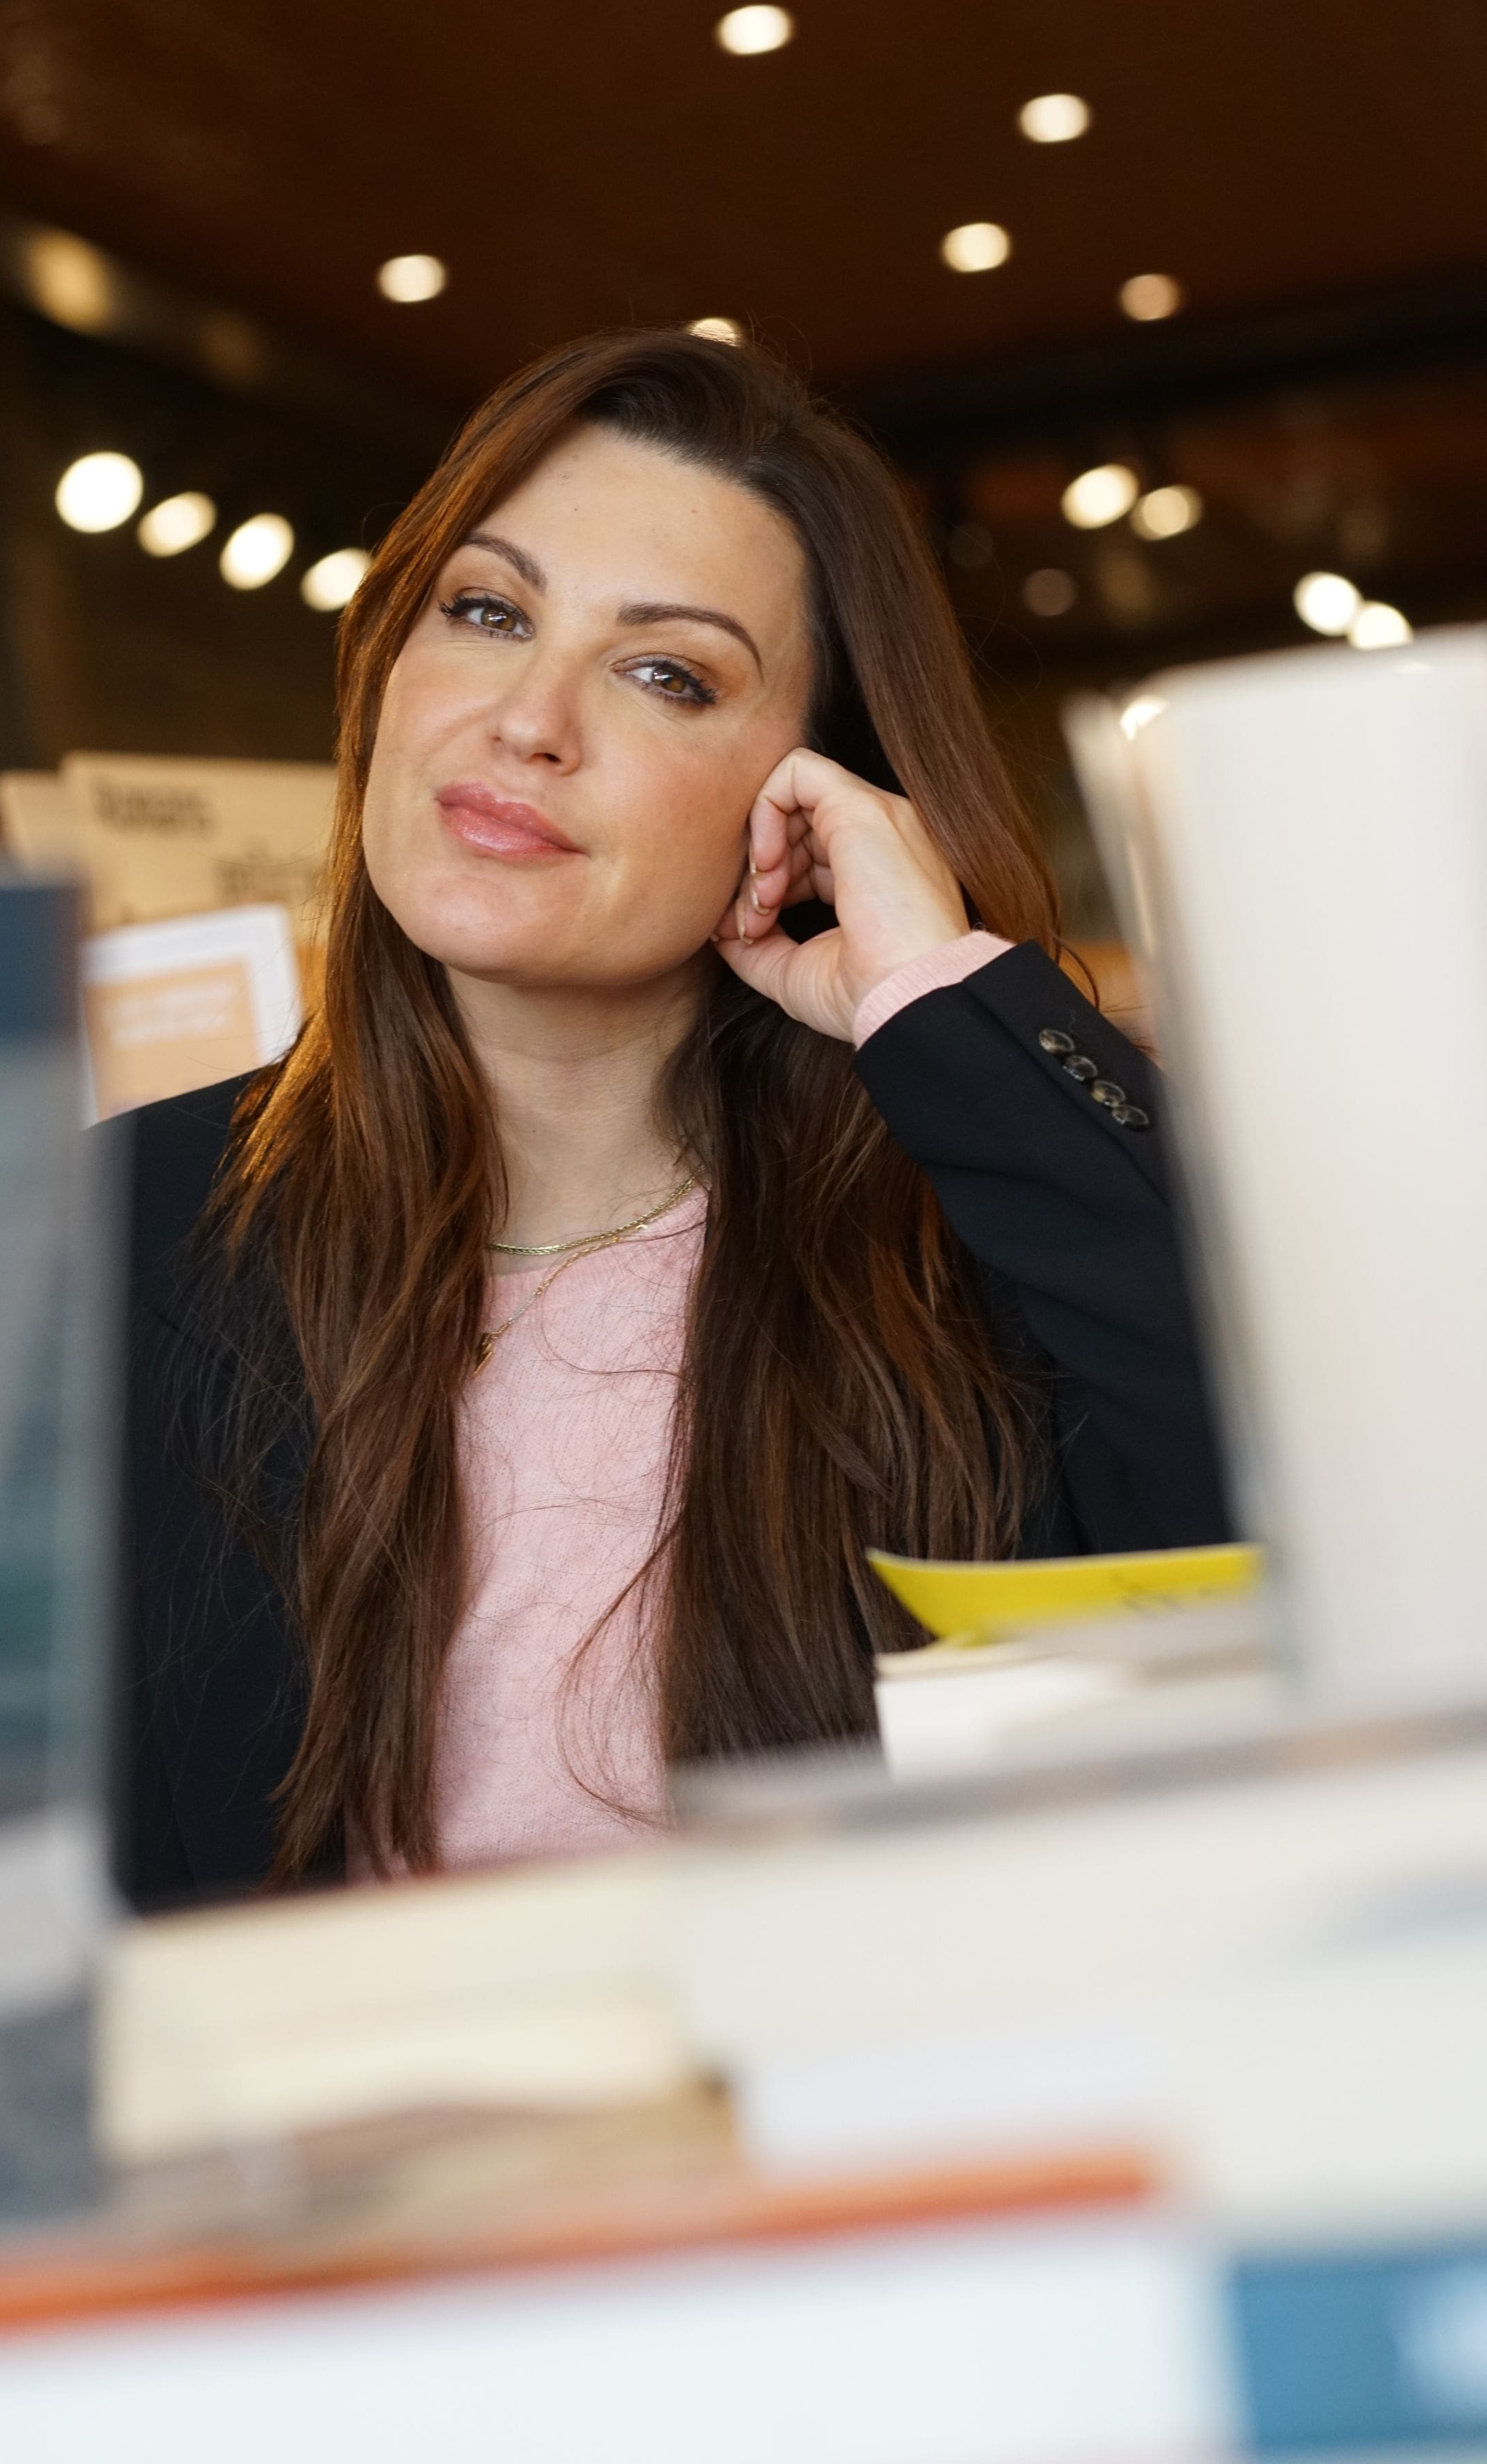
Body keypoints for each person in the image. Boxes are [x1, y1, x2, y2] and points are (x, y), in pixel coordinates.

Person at [113, 328, 1231, 1912]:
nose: (529, 717)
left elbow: (1310, 1512)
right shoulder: (108, 1225)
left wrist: (950, 1006)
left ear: (812, 794)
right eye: (487, 611)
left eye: (666, 673)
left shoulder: (977, 1252)